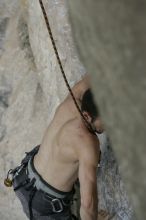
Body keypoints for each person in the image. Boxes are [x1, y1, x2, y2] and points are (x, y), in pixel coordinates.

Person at [5, 75, 109, 220]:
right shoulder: (87, 143)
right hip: (48, 207)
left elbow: (95, 74)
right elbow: (88, 203)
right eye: (104, 122)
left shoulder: (74, 98)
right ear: (86, 116)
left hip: (24, 178)